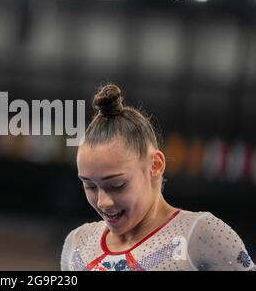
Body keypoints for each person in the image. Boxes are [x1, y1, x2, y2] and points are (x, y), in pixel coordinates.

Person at [60, 83, 255, 271]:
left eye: (116, 185)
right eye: (90, 186)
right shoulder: (78, 243)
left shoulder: (200, 234)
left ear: (155, 166)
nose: (103, 201)